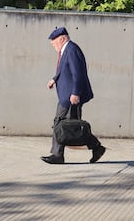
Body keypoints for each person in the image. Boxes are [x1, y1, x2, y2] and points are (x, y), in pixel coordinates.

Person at [41, 27, 105, 164]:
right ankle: (96, 147)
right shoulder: (66, 50)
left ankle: (58, 155)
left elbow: (78, 73)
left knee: (63, 124)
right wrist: (54, 79)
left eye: (54, 42)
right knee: (71, 126)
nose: (53, 45)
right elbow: (64, 68)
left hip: (71, 96)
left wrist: (75, 93)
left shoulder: (72, 50)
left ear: (62, 39)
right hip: (67, 95)